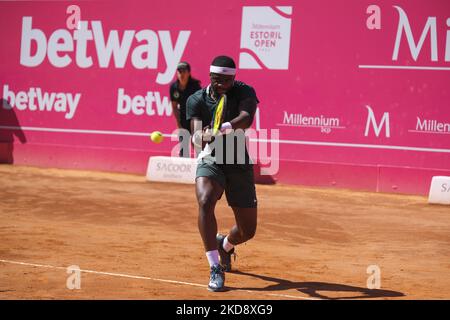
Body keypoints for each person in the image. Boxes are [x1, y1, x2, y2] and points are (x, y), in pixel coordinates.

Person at [186, 56, 259, 292]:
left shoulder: (245, 91)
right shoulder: (196, 99)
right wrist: (202, 136)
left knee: (247, 230)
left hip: (238, 161)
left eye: (228, 81)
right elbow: (196, 137)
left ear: (234, 78)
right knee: (205, 201)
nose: (223, 85)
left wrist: (223, 128)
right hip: (211, 159)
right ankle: (215, 267)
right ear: (210, 77)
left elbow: (246, 118)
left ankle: (225, 244)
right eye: (218, 80)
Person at [169, 61, 201, 157]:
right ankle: (184, 166)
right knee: (183, 145)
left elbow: (201, 104)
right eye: (179, 71)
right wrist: (179, 123)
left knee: (196, 143)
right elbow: (174, 107)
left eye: (184, 71)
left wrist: (198, 124)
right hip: (183, 116)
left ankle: (201, 166)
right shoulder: (174, 87)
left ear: (189, 73)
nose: (181, 74)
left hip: (196, 116)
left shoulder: (195, 86)